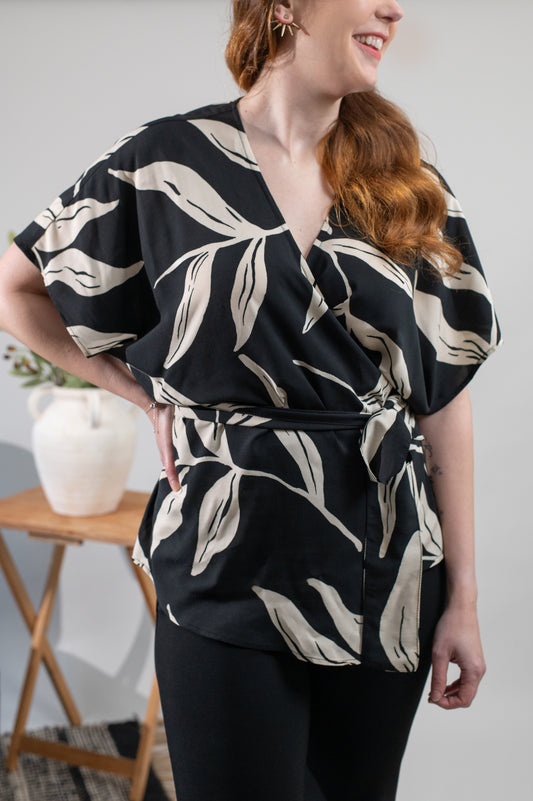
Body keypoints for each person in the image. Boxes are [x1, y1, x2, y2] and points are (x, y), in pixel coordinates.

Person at [0, 1, 501, 799]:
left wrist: (464, 601)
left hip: (386, 569)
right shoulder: (165, 163)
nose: (392, 7)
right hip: (220, 556)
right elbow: (17, 287)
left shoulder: (403, 180)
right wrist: (142, 396)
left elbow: (444, 398)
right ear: (283, 8)